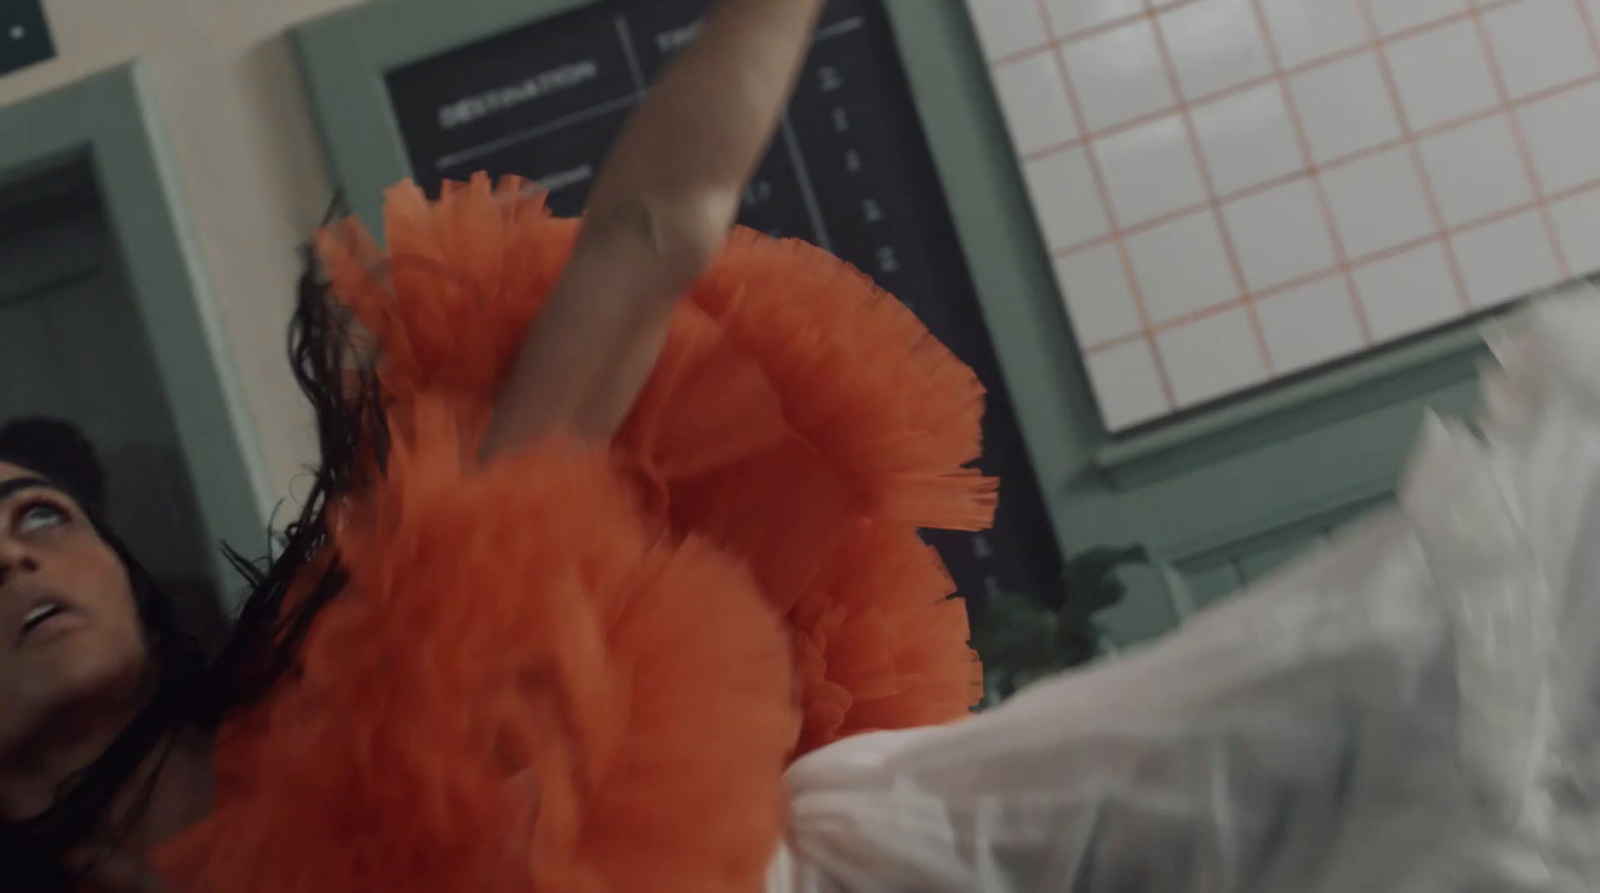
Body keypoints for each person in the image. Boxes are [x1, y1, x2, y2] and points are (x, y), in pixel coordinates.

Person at [4, 0, 1599, 889]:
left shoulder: (383, 644)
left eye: (34, 508)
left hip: (901, 877)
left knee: (1407, 692)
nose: (12, 549)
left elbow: (646, 235)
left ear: (122, 562)